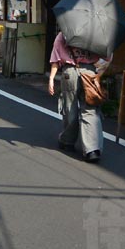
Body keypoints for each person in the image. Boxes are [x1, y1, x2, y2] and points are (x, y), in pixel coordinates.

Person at [48, 31, 109, 163]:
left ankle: (67, 141)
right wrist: (99, 75)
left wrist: (52, 78)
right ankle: (92, 149)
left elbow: (56, 58)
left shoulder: (64, 33)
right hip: (90, 72)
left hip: (70, 72)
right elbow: (108, 57)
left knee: (70, 107)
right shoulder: (96, 33)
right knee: (91, 109)